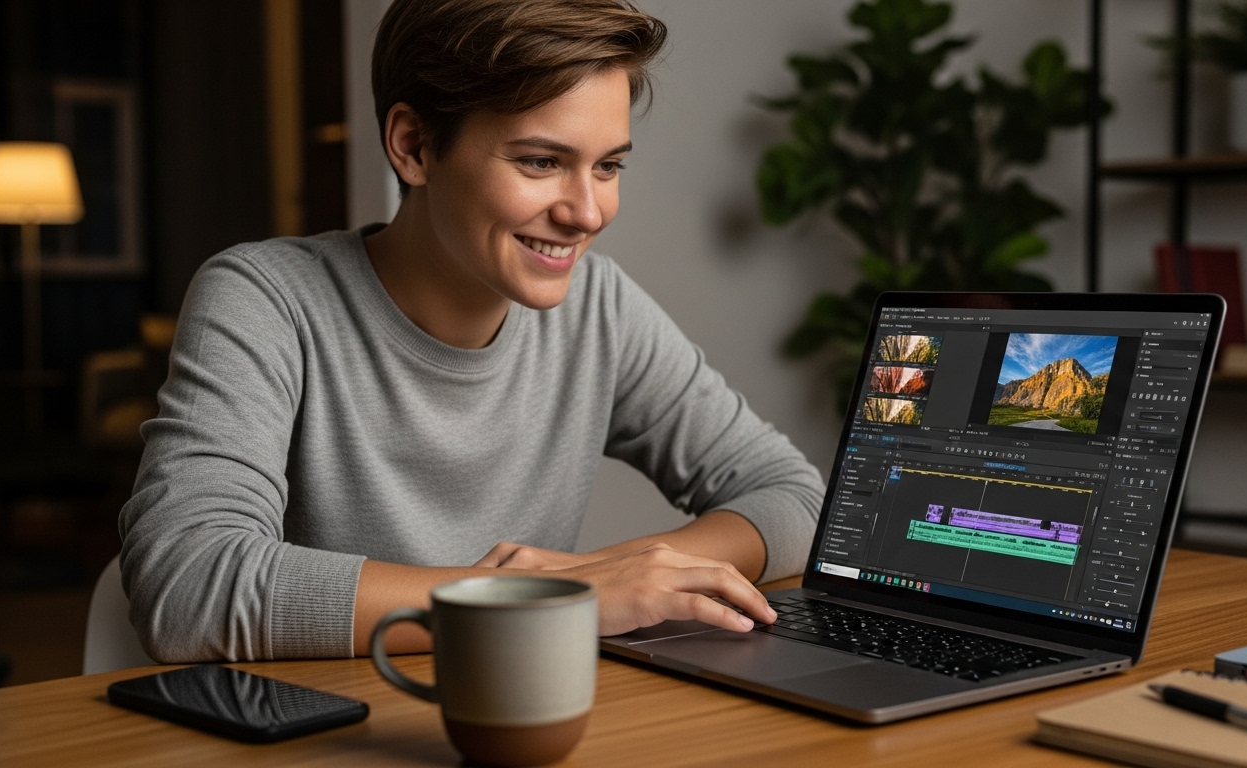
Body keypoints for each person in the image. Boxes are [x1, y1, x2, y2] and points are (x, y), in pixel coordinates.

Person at [119, 0, 825, 662]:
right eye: (542, 162)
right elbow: (188, 583)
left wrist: (620, 572)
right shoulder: (267, 300)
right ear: (414, 146)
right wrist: (547, 599)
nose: (587, 212)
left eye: (608, 166)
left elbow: (794, 498)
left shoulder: (600, 310)